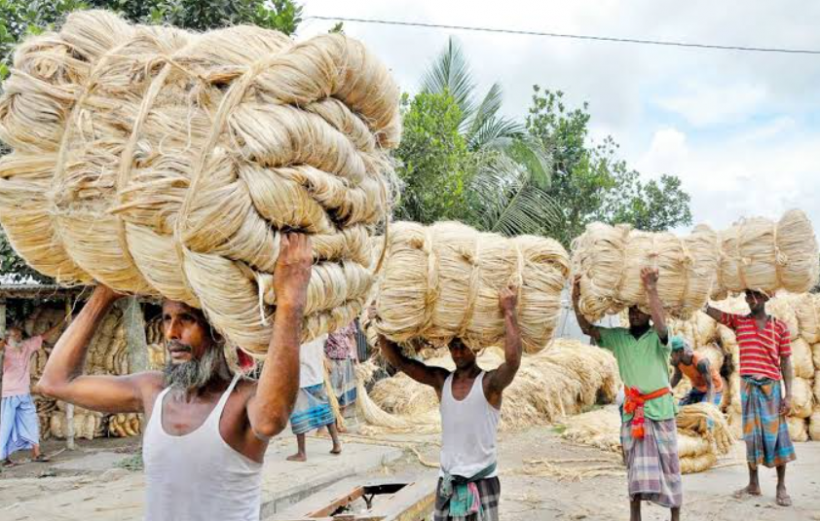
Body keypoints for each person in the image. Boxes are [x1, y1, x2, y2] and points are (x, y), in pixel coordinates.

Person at [37, 234, 313, 521]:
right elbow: (55, 382)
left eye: (186, 320)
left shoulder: (243, 399)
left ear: (217, 330)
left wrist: (290, 303)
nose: (171, 334)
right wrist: (106, 292)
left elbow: (271, 420)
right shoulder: (153, 390)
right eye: (167, 319)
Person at [379, 283, 522, 521]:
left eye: (463, 347)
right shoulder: (440, 381)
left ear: (475, 347)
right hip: (447, 481)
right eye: (453, 347)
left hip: (482, 481)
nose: (457, 353)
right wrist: (382, 326)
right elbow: (402, 363)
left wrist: (509, 311)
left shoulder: (489, 385)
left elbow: (513, 362)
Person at [573, 268, 681, 521]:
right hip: (633, 411)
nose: (633, 313)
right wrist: (575, 294)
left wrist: (651, 288)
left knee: (670, 466)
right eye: (630, 309)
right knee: (635, 467)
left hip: (661, 409)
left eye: (638, 309)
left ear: (648, 312)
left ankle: (675, 516)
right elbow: (587, 328)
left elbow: (662, 324)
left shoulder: (659, 336)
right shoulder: (618, 337)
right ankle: (636, 517)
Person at [704, 289, 795, 507]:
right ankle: (753, 483)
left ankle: (781, 486)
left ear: (766, 298)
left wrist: (789, 394)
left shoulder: (780, 327)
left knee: (777, 436)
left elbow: (786, 363)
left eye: (756, 296)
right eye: (748, 296)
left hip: (771, 388)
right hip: (749, 389)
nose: (751, 300)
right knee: (752, 436)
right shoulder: (740, 323)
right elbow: (718, 314)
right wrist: (702, 303)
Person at [1, 321, 64, 466]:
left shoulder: (26, 346)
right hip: (9, 393)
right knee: (6, 425)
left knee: (31, 422)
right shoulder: (4, 349)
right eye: (15, 335)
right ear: (7, 337)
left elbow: (44, 336)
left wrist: (61, 323)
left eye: (19, 334)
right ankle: (2, 457)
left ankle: (37, 454)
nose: (18, 337)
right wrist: (3, 341)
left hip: (23, 392)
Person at [286, 333, 342, 462]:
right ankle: (336, 444)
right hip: (317, 377)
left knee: (298, 415)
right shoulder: (319, 333)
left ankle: (301, 453)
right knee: (325, 410)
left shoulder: (298, 336)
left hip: (302, 379)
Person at [670, 336, 724, 406]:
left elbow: (710, 385)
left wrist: (709, 406)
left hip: (713, 390)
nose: (670, 357)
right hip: (698, 389)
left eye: (671, 354)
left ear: (680, 352)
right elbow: (677, 376)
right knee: (680, 411)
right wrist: (667, 389)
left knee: (707, 415)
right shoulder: (677, 361)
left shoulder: (701, 362)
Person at [324, 321, 358, 413]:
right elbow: (320, 342)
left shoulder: (349, 318)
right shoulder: (327, 319)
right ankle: (333, 423)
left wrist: (356, 360)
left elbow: (352, 339)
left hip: (346, 361)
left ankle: (341, 422)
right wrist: (325, 360)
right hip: (331, 361)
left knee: (345, 395)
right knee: (331, 395)